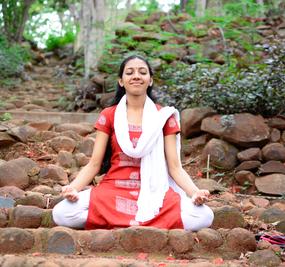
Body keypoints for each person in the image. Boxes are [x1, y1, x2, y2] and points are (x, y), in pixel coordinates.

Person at [52, 55, 214, 231]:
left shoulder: (163, 117)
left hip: (154, 190)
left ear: (150, 80)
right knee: (61, 213)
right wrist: (73, 189)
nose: (136, 76)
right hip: (113, 189)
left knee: (204, 216)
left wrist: (194, 193)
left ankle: (117, 222)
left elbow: (175, 168)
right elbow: (94, 164)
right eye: (130, 72)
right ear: (121, 81)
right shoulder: (109, 115)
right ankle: (149, 224)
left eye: (142, 72)